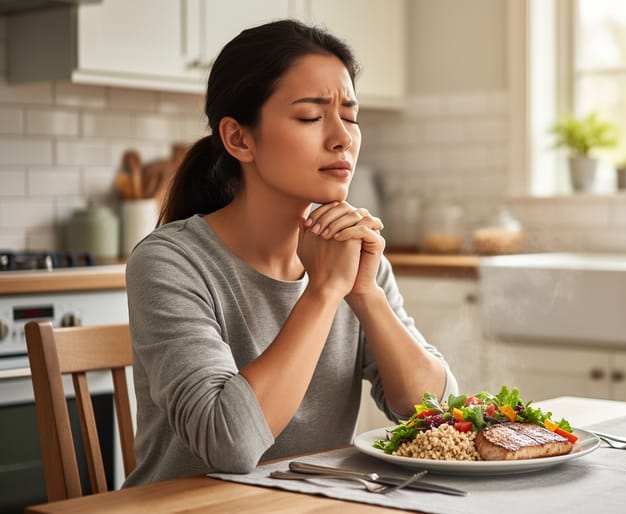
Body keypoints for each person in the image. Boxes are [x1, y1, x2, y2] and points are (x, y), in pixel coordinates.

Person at [123, 19, 458, 486]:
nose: (343, 136)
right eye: (310, 116)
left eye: (351, 115)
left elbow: (437, 412)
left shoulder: (353, 258)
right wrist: (323, 292)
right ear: (240, 138)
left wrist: (365, 294)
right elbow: (230, 444)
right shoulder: (170, 262)